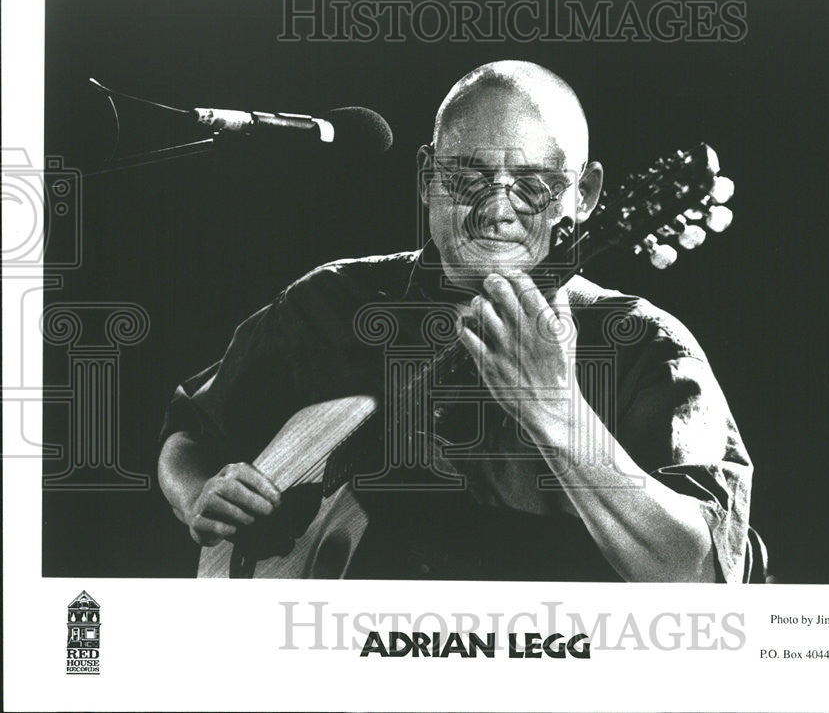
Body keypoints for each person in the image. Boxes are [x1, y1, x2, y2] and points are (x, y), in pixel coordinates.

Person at [157, 60, 760, 582]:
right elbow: (190, 432)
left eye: (534, 184)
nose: (498, 209)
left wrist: (558, 411)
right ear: (427, 176)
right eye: (469, 177)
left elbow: (699, 574)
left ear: (587, 193)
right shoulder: (330, 302)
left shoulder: (647, 348)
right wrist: (199, 497)